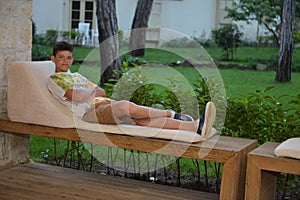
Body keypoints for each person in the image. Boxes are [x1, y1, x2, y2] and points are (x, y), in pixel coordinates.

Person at [47, 41, 216, 137]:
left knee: (143, 121)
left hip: (103, 104)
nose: (65, 61)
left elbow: (102, 91)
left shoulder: (76, 76)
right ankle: (168, 113)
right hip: (89, 113)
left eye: (68, 57)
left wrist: (87, 93)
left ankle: (195, 126)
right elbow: (76, 97)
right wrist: (88, 92)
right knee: (124, 106)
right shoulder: (54, 80)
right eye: (61, 57)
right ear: (53, 59)